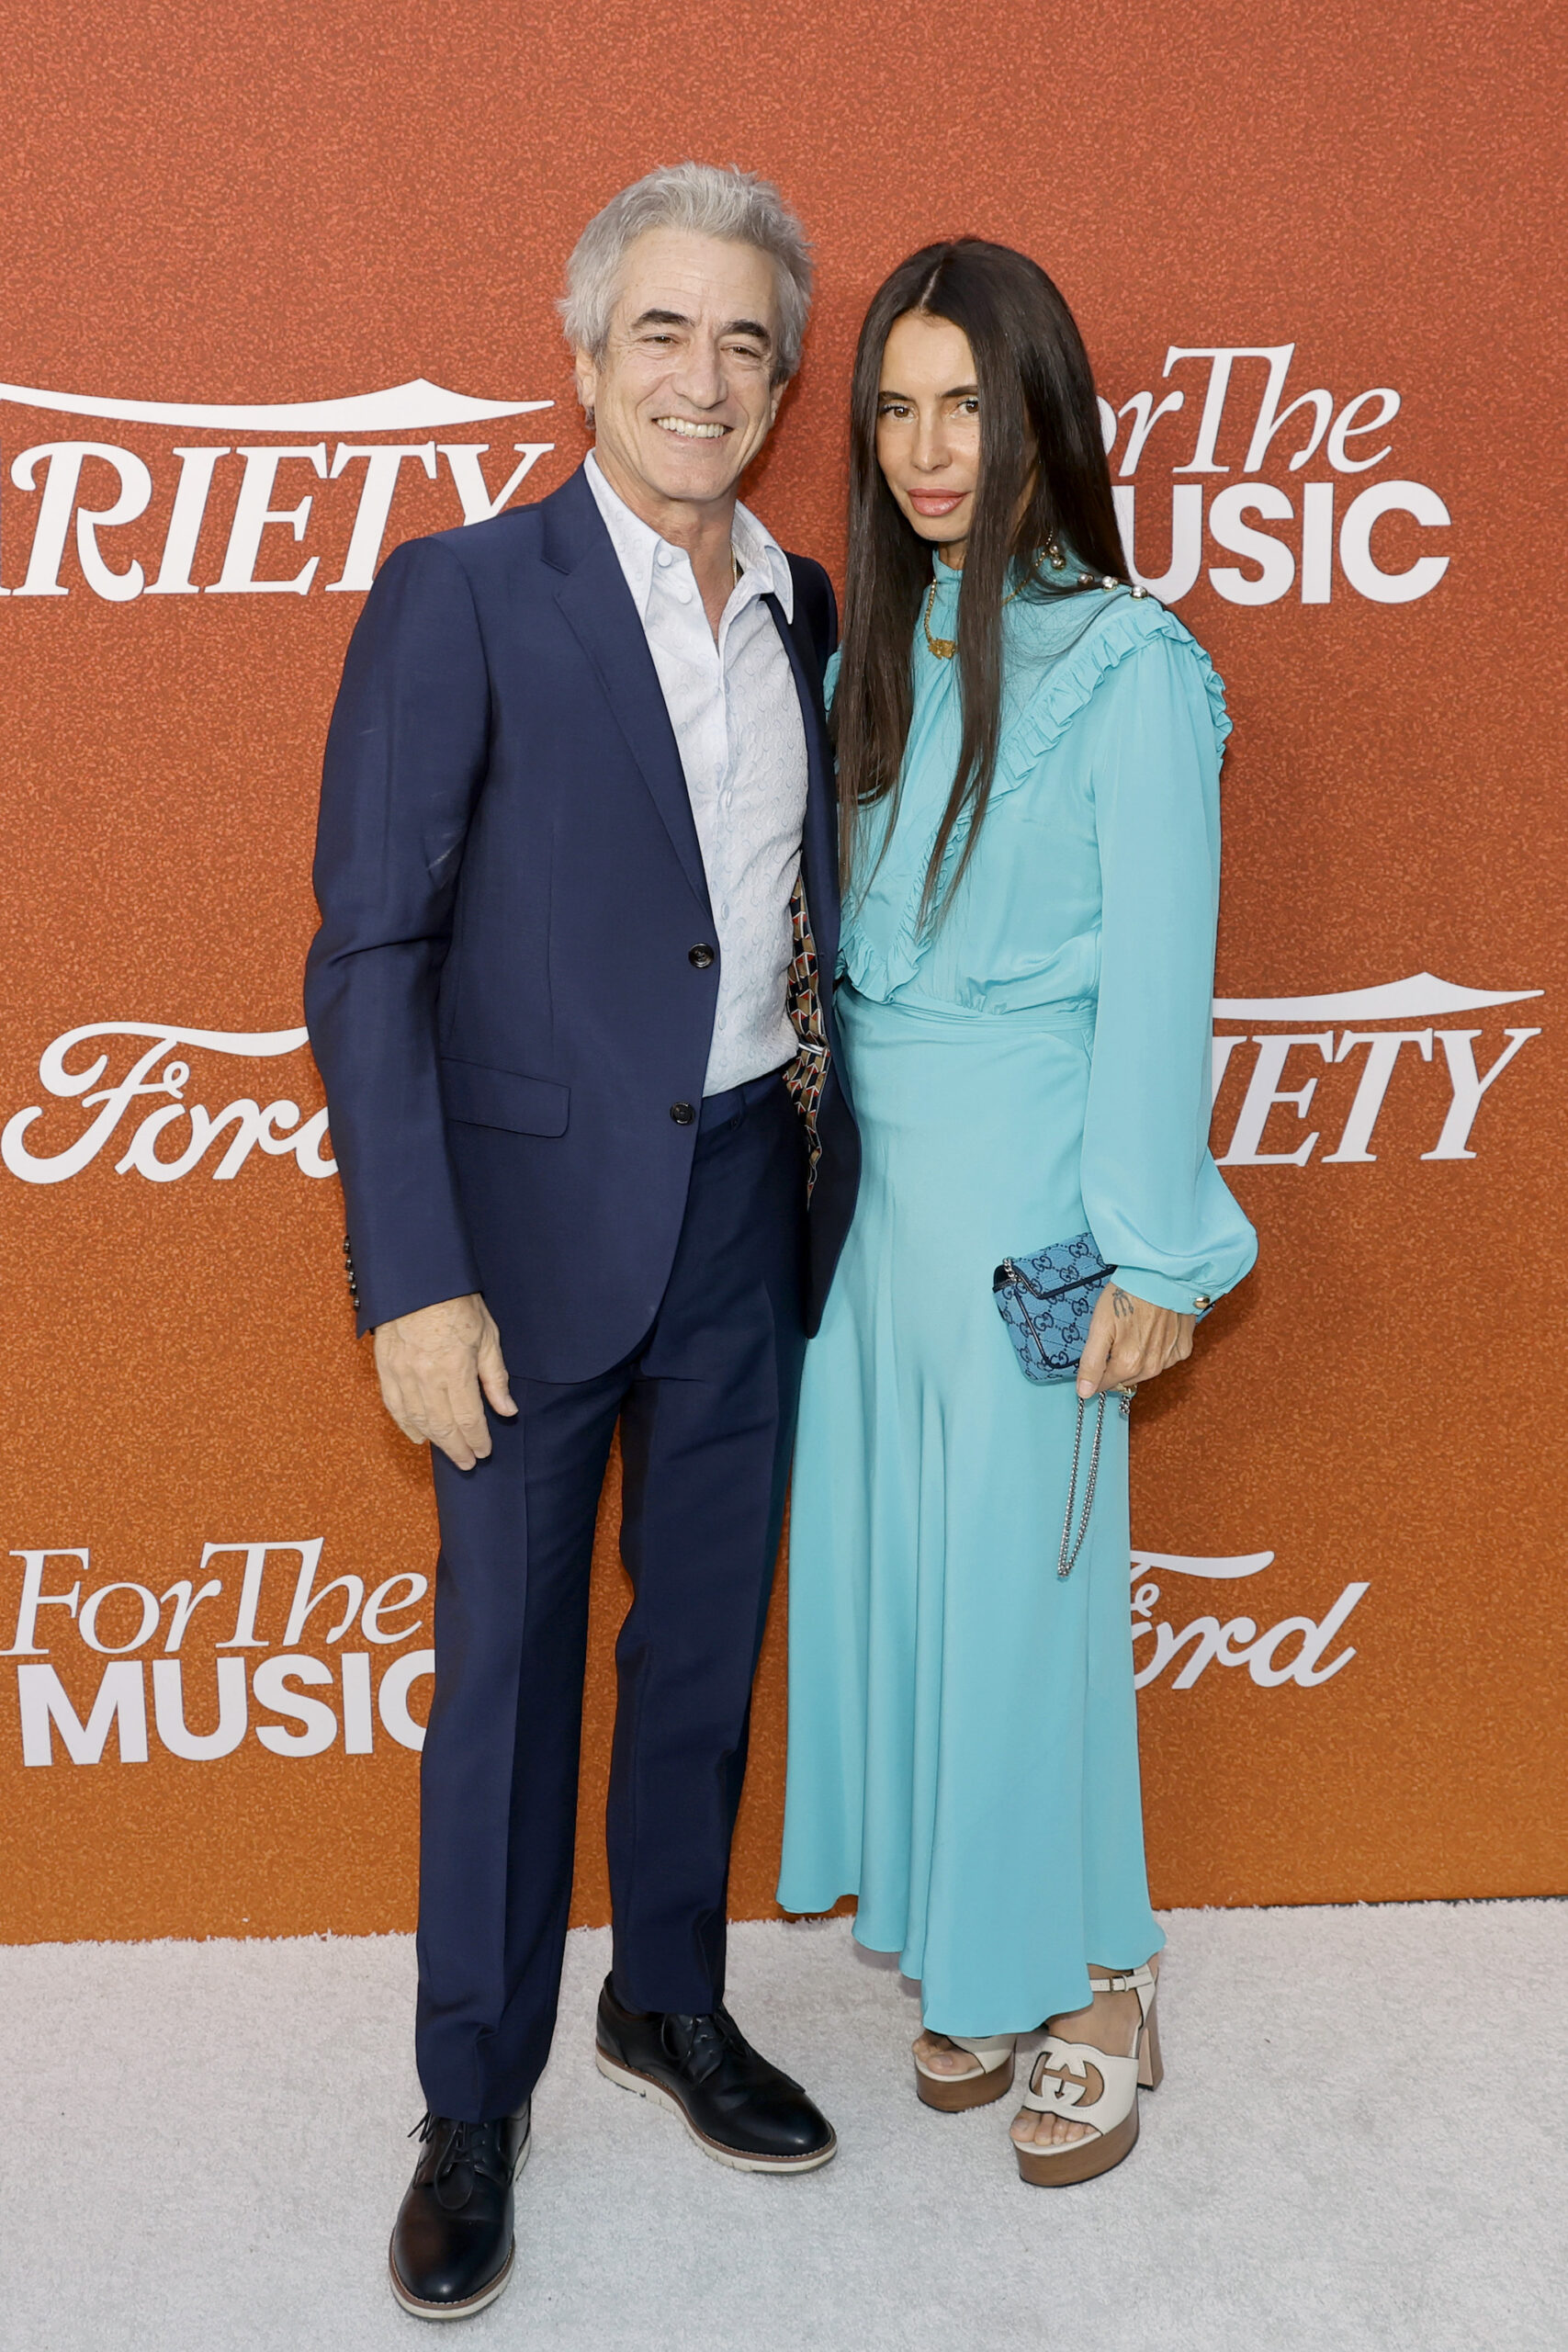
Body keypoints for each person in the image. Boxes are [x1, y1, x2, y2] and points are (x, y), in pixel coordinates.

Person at [305, 163, 859, 2320]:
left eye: (744, 341)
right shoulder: (459, 593)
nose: (702, 376)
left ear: (781, 376)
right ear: (582, 352)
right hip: (519, 1234)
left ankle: (670, 2002)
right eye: (663, 330)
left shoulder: (803, 603)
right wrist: (412, 1272)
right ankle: (472, 2094)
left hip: (741, 1195)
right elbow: (370, 955)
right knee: (511, 1686)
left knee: (700, 1657)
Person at [777, 240, 1257, 2186]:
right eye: (892, 405)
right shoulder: (863, 653)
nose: (923, 446)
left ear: (1045, 413)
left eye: (965, 401)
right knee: (916, 1588)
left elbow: (1159, 977)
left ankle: (1108, 1973)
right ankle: (976, 1947)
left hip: (1030, 1219)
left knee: (1030, 1598)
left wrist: (1151, 1250)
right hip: (869, 1221)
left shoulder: (1133, 666)